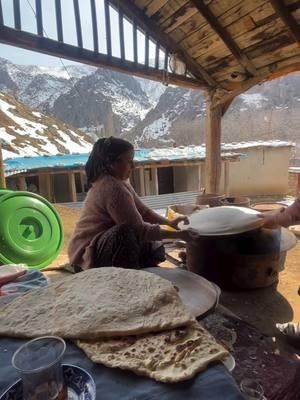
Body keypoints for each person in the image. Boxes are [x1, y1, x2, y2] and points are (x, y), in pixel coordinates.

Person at [68, 137, 195, 272]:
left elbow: (143, 212)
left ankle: (137, 268)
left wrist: (170, 223)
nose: (133, 166)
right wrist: (179, 235)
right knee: (124, 233)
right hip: (87, 253)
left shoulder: (121, 182)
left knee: (155, 248)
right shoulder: (111, 187)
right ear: (112, 163)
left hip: (102, 246)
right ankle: (129, 279)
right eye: (129, 161)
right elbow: (138, 230)